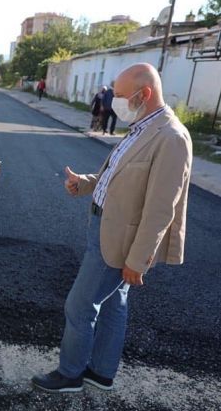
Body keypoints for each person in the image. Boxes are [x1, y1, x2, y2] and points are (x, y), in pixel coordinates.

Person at [31, 63, 192, 393]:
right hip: (105, 227)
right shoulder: (142, 126)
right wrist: (87, 183)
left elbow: (162, 208)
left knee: (79, 305)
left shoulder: (171, 137)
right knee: (114, 304)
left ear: (143, 94)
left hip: (121, 241)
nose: (111, 103)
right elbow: (120, 175)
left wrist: (138, 260)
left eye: (118, 96)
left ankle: (70, 373)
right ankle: (101, 373)